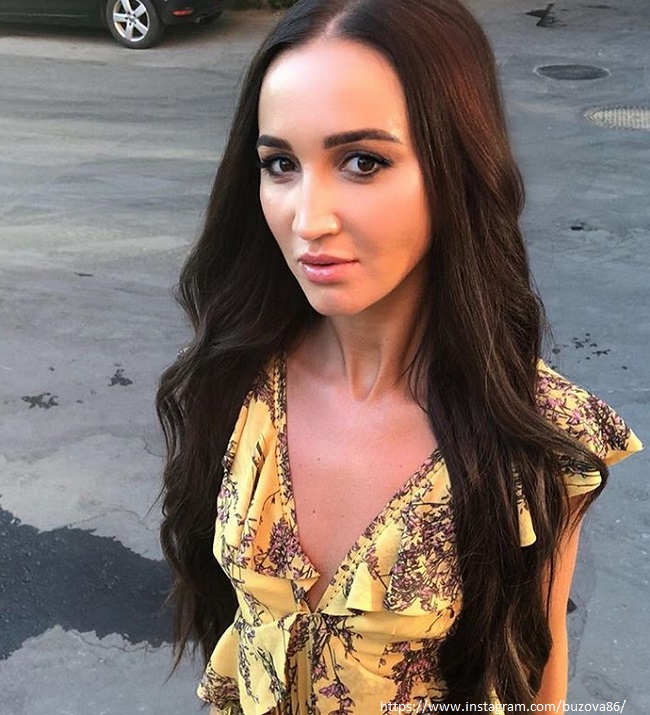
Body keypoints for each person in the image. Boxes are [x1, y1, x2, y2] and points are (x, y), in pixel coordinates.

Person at [156, 0, 641, 712]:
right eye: (280, 164)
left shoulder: (537, 433)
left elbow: (538, 667)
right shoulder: (237, 376)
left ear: (457, 168)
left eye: (362, 162)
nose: (307, 219)